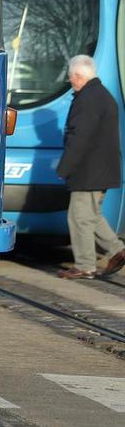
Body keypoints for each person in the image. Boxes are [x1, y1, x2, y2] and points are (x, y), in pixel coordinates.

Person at [56, 54, 125, 280]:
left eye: (71, 77)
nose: (71, 82)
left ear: (78, 76)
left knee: (79, 218)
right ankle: (117, 250)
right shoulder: (100, 95)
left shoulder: (88, 99)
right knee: (92, 216)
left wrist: (64, 168)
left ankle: (85, 265)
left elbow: (80, 138)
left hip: (89, 171)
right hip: (99, 170)